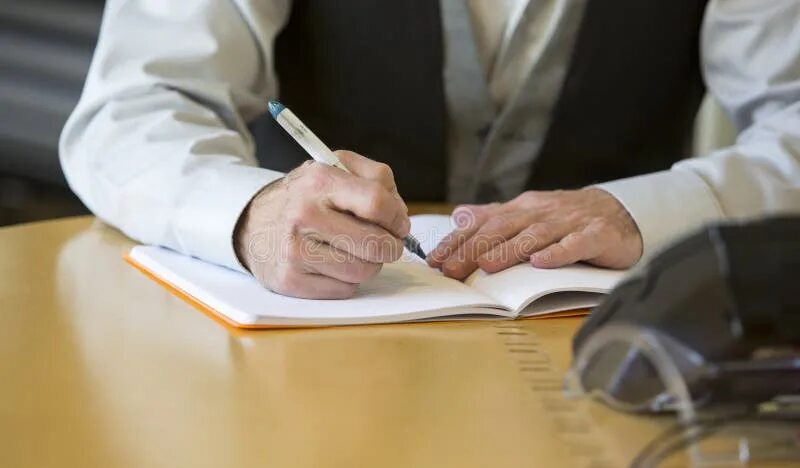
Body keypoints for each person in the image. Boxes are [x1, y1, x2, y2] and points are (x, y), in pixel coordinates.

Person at [61, 0, 800, 299]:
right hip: (305, 341)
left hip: (604, 338)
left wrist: (646, 210)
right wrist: (250, 211)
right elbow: (133, 106)